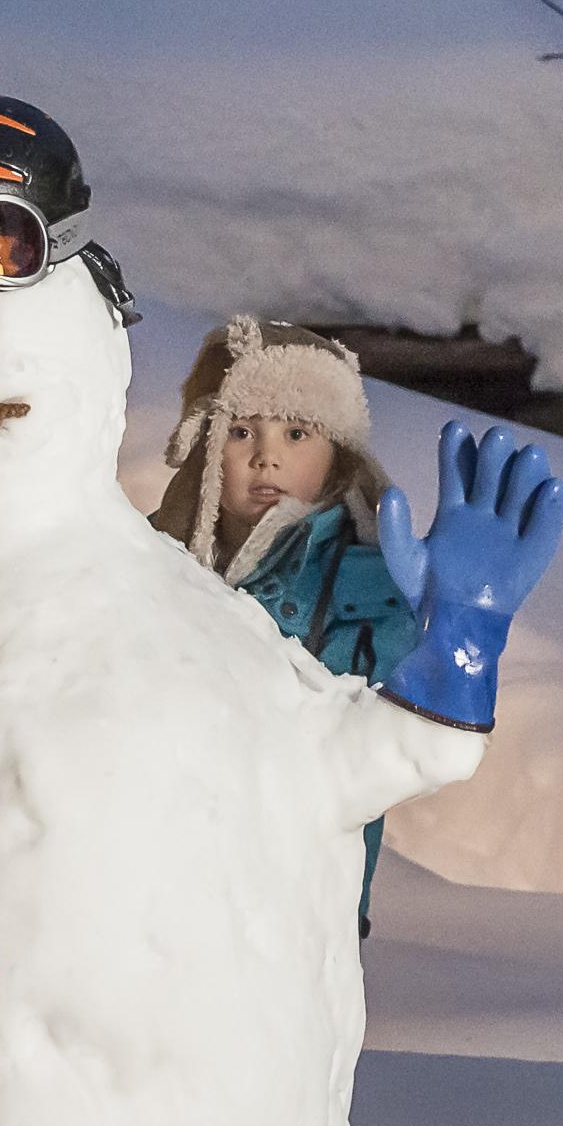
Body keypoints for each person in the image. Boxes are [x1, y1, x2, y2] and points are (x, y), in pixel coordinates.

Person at [147, 316, 424, 929]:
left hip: (299, 897)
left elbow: (390, 724)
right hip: (161, 884)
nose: (266, 457)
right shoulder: (149, 558)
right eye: (242, 431)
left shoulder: (365, 576)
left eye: (297, 433)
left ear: (339, 453)